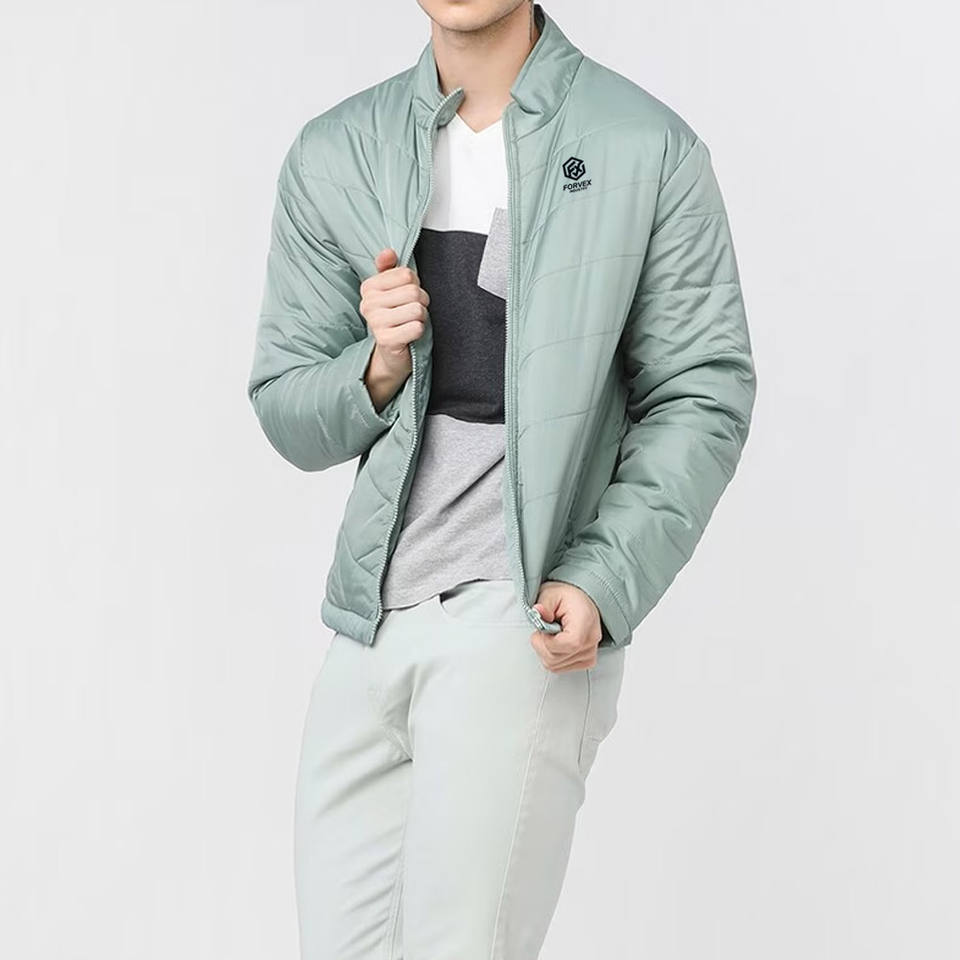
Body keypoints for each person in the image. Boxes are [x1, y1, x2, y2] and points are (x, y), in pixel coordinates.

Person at [247, 1, 756, 956]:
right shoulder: (337, 152)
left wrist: (602, 577)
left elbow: (702, 393)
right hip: (368, 621)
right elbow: (285, 402)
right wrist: (377, 367)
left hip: (518, 618)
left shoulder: (644, 148)